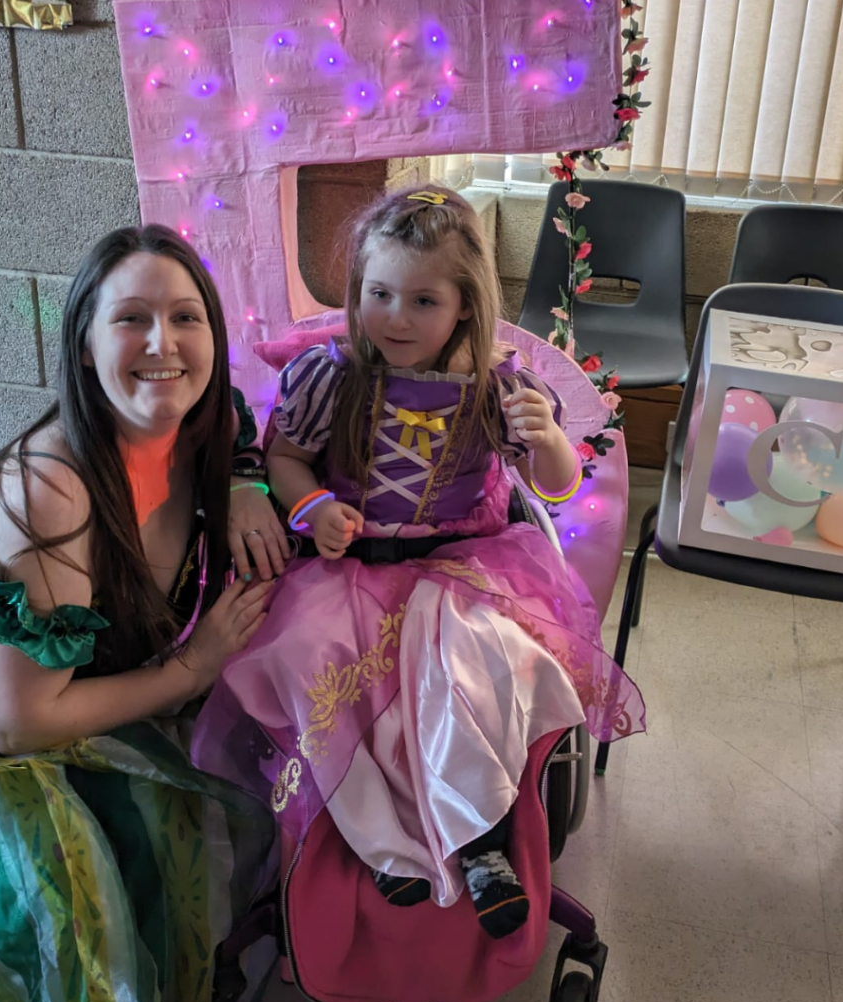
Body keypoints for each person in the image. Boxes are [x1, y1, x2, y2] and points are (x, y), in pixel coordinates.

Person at [0, 225, 289, 1002]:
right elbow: (14, 723)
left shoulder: (204, 425)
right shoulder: (50, 491)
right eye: (131, 319)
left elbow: (248, 426)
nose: (163, 344)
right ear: (82, 346)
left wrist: (248, 482)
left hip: (76, 687)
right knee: (66, 909)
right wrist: (190, 671)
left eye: (186, 318)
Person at [192, 186, 645, 941]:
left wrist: (551, 442)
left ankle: (478, 842)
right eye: (379, 294)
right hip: (350, 568)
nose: (396, 318)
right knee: (308, 658)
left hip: (466, 561)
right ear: (357, 290)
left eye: (423, 300)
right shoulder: (329, 376)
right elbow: (285, 459)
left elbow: (557, 486)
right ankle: (382, 845)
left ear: (465, 304)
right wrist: (309, 509)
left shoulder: (503, 389)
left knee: (475, 665)